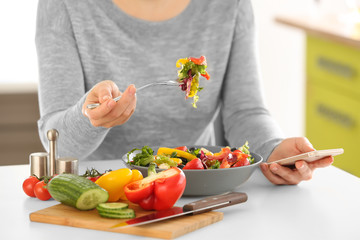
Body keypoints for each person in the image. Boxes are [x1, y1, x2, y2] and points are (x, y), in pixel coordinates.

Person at [35, 0, 333, 185]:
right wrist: (90, 117)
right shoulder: (64, 4)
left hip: (199, 191)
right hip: (103, 192)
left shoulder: (229, 5)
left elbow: (245, 111)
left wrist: (273, 148)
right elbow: (57, 141)